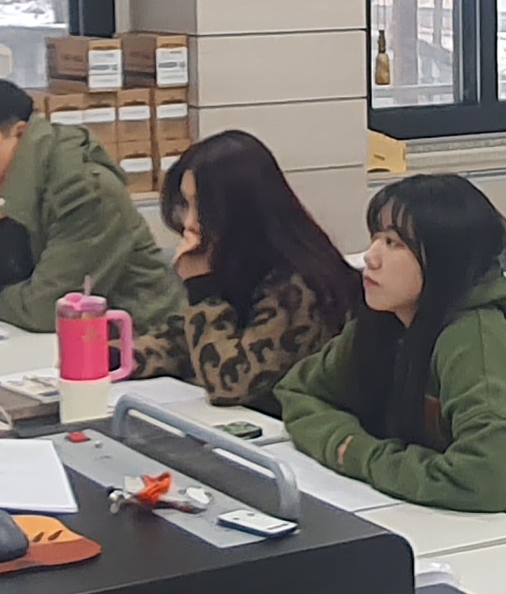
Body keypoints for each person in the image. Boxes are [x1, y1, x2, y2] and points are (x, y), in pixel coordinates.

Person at [278, 175, 506, 544]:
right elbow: (300, 392)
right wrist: (345, 443)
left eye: (393, 243)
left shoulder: (475, 340)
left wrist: (359, 454)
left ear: (444, 257)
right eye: (375, 237)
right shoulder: (384, 322)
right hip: (448, 524)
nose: (370, 257)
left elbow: (484, 478)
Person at [0, 77, 177, 332]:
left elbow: (48, 310)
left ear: (20, 133)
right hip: (66, 340)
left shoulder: (86, 190)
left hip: (145, 339)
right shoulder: (0, 187)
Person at [140, 128, 359, 413]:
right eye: (186, 204)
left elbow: (230, 383)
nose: (189, 222)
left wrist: (201, 289)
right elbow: (182, 342)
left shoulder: (299, 284)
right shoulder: (238, 261)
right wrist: (117, 356)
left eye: (200, 207)